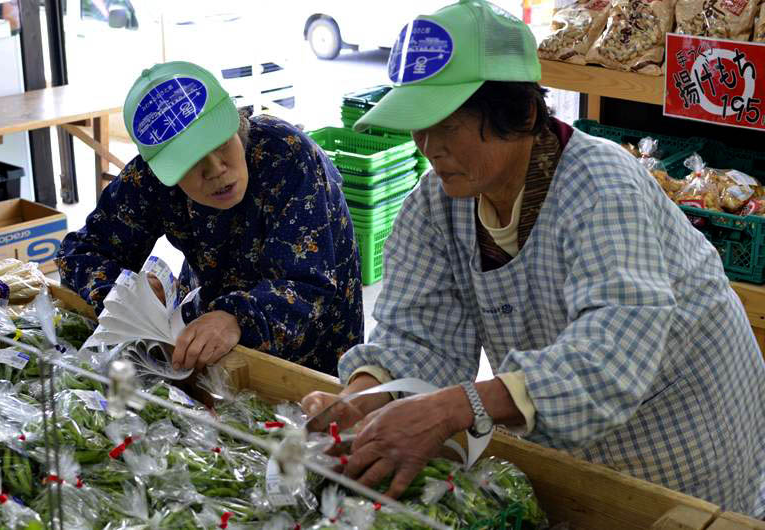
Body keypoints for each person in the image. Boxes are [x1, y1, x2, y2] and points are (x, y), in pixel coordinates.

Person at [301, 0, 765, 517]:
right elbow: (417, 335)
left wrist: (456, 406)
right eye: (418, 125)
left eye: (447, 126)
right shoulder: (435, 206)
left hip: (685, 430)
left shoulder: (603, 188)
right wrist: (368, 394)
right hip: (577, 443)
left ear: (521, 113)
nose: (428, 146)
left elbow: (608, 361)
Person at [57, 61, 364, 375]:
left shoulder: (288, 155)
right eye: (190, 161)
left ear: (237, 124)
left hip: (311, 351)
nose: (216, 169)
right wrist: (126, 291)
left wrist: (236, 318)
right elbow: (80, 252)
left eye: (221, 143)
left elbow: (309, 288)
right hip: (210, 337)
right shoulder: (151, 179)